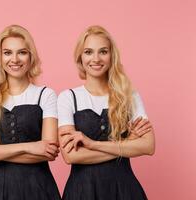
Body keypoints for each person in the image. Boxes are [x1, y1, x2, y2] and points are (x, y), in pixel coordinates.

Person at [58, 25, 155, 200]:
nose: (96, 58)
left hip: (124, 190)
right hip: (82, 192)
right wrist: (125, 144)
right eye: (88, 52)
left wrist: (91, 144)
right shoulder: (67, 98)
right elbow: (71, 155)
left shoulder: (129, 95)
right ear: (80, 57)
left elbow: (148, 146)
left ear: (112, 56)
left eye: (103, 52)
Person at [0, 25, 61, 200]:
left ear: (31, 56)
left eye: (22, 52)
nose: (14, 59)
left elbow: (48, 151)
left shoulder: (46, 95)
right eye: (7, 53)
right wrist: (29, 146)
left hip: (38, 189)